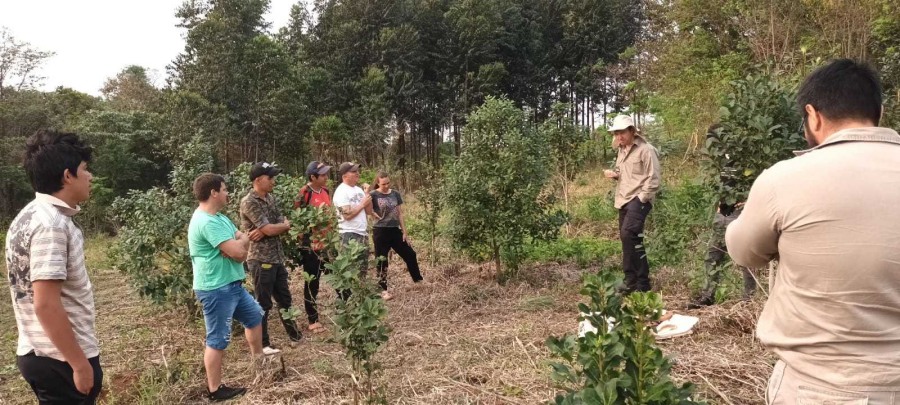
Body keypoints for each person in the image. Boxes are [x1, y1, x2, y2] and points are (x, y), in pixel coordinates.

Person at [726, 59, 900, 404]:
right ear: (879, 110)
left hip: (821, 388)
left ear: (813, 115)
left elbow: (743, 253)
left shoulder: (785, 178)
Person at [6, 130, 103, 403]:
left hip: (42, 352)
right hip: (60, 359)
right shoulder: (52, 225)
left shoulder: (29, 216)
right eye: (84, 169)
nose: (90, 176)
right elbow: (45, 304)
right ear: (67, 175)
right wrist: (79, 364)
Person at [188, 173, 264, 401]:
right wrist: (238, 246)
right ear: (213, 192)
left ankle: (259, 364)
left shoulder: (219, 218)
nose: (227, 193)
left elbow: (243, 238)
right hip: (215, 288)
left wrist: (237, 243)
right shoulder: (207, 222)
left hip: (231, 284)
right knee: (217, 339)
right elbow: (241, 254)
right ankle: (215, 390)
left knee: (254, 317)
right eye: (224, 189)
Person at [688, 124, 756, 309]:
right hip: (723, 213)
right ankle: (708, 295)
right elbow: (720, 184)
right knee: (713, 254)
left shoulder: (744, 157)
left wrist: (750, 199)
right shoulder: (720, 161)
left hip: (741, 214)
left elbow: (760, 179)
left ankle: (748, 301)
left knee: (744, 258)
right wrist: (719, 203)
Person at [239, 162, 302, 354]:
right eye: (270, 177)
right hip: (260, 259)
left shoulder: (271, 198)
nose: (273, 181)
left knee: (285, 298)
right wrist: (272, 229)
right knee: (263, 303)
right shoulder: (249, 202)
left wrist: (274, 228)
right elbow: (271, 228)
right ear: (258, 180)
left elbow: (281, 223)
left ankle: (295, 336)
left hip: (276, 256)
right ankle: (264, 344)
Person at [603, 115, 661, 294]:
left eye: (622, 132)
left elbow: (654, 178)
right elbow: (624, 173)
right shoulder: (621, 150)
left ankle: (642, 283)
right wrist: (615, 175)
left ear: (632, 131)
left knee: (628, 234)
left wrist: (643, 198)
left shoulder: (646, 149)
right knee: (628, 239)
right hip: (623, 199)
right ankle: (632, 281)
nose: (619, 136)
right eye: (616, 133)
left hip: (638, 199)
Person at [370, 172, 423, 300]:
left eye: (388, 183)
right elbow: (367, 209)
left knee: (410, 254)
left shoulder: (395, 194)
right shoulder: (373, 195)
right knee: (382, 261)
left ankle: (418, 280)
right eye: (383, 184)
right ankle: (383, 290)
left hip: (395, 230)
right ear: (378, 183)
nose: (387, 185)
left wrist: (404, 231)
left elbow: (399, 214)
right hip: (380, 231)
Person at [294, 161, 333, 333]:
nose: (326, 177)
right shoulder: (303, 193)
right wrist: (306, 243)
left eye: (326, 174)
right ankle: (313, 319)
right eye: (323, 175)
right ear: (313, 177)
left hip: (329, 244)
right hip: (312, 247)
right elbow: (297, 220)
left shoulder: (325, 191)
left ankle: (350, 310)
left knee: (339, 276)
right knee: (312, 282)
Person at [332, 162, 373, 300]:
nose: (357, 173)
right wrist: (362, 203)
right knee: (349, 270)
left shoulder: (359, 190)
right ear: (344, 175)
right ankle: (347, 302)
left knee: (362, 269)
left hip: (362, 233)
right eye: (353, 171)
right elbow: (347, 215)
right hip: (348, 234)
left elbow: (368, 211)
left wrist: (367, 195)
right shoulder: (341, 191)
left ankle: (360, 299)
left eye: (357, 170)